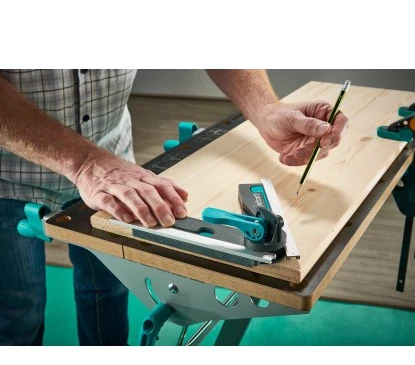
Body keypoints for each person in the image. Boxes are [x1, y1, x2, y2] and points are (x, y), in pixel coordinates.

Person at [0, 69, 348, 345]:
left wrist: (266, 110)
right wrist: (84, 162)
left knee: (107, 290)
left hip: (113, 163)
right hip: (12, 174)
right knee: (18, 314)